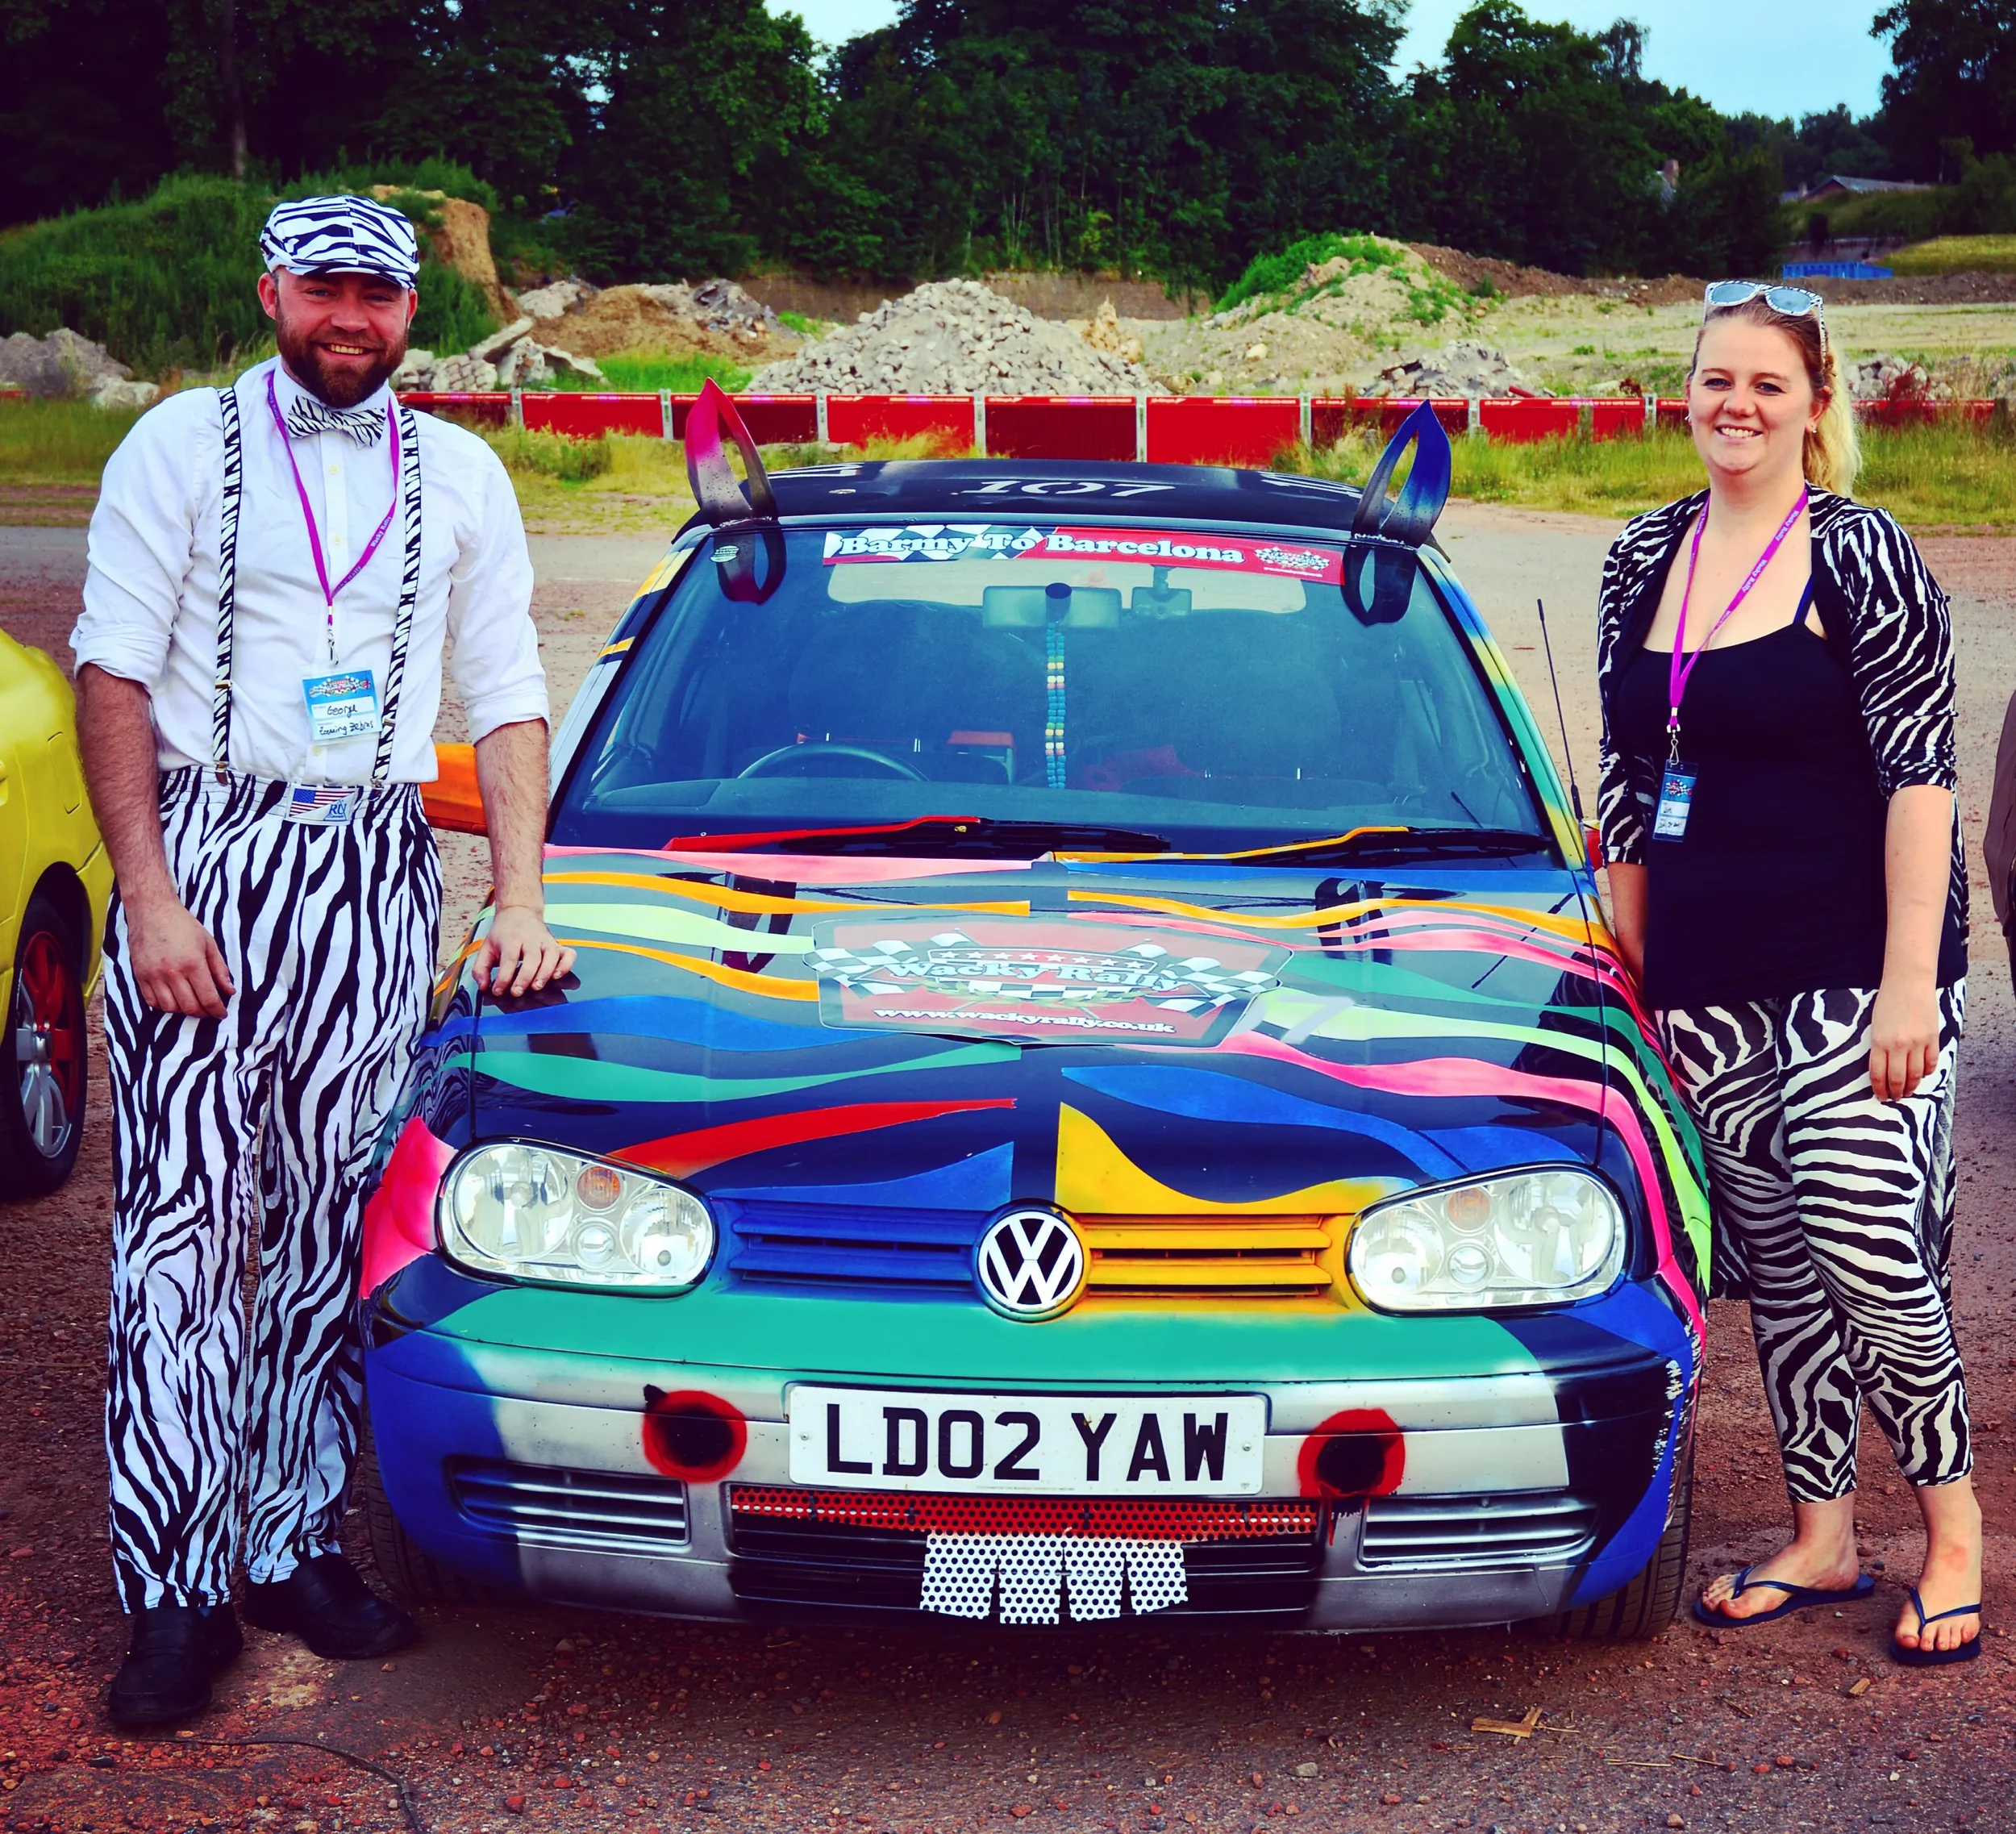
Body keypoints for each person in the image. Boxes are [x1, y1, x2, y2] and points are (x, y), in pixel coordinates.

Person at [72, 194, 576, 1728]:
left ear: (412, 310)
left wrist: (520, 897)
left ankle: (290, 1540)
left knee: (325, 1234)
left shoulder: (464, 472)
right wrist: (148, 897)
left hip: (371, 865)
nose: (350, 317)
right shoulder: (176, 445)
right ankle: (173, 1591)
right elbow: (111, 669)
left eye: (379, 294)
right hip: (209, 859)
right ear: (275, 291)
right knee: (182, 1236)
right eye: (325, 289)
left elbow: (503, 689)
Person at [1596, 281, 1981, 1665]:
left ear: (1817, 406)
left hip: (1846, 976)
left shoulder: (1863, 554)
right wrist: (1629, 967)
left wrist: (1903, 987)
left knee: (1877, 1260)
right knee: (1789, 1275)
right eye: (1715, 381)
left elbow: (1922, 778)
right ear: (1684, 395)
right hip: (1705, 985)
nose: (1736, 406)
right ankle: (1823, 1536)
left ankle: (1951, 1535)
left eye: (1767, 383)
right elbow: (1633, 784)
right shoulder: (1642, 556)